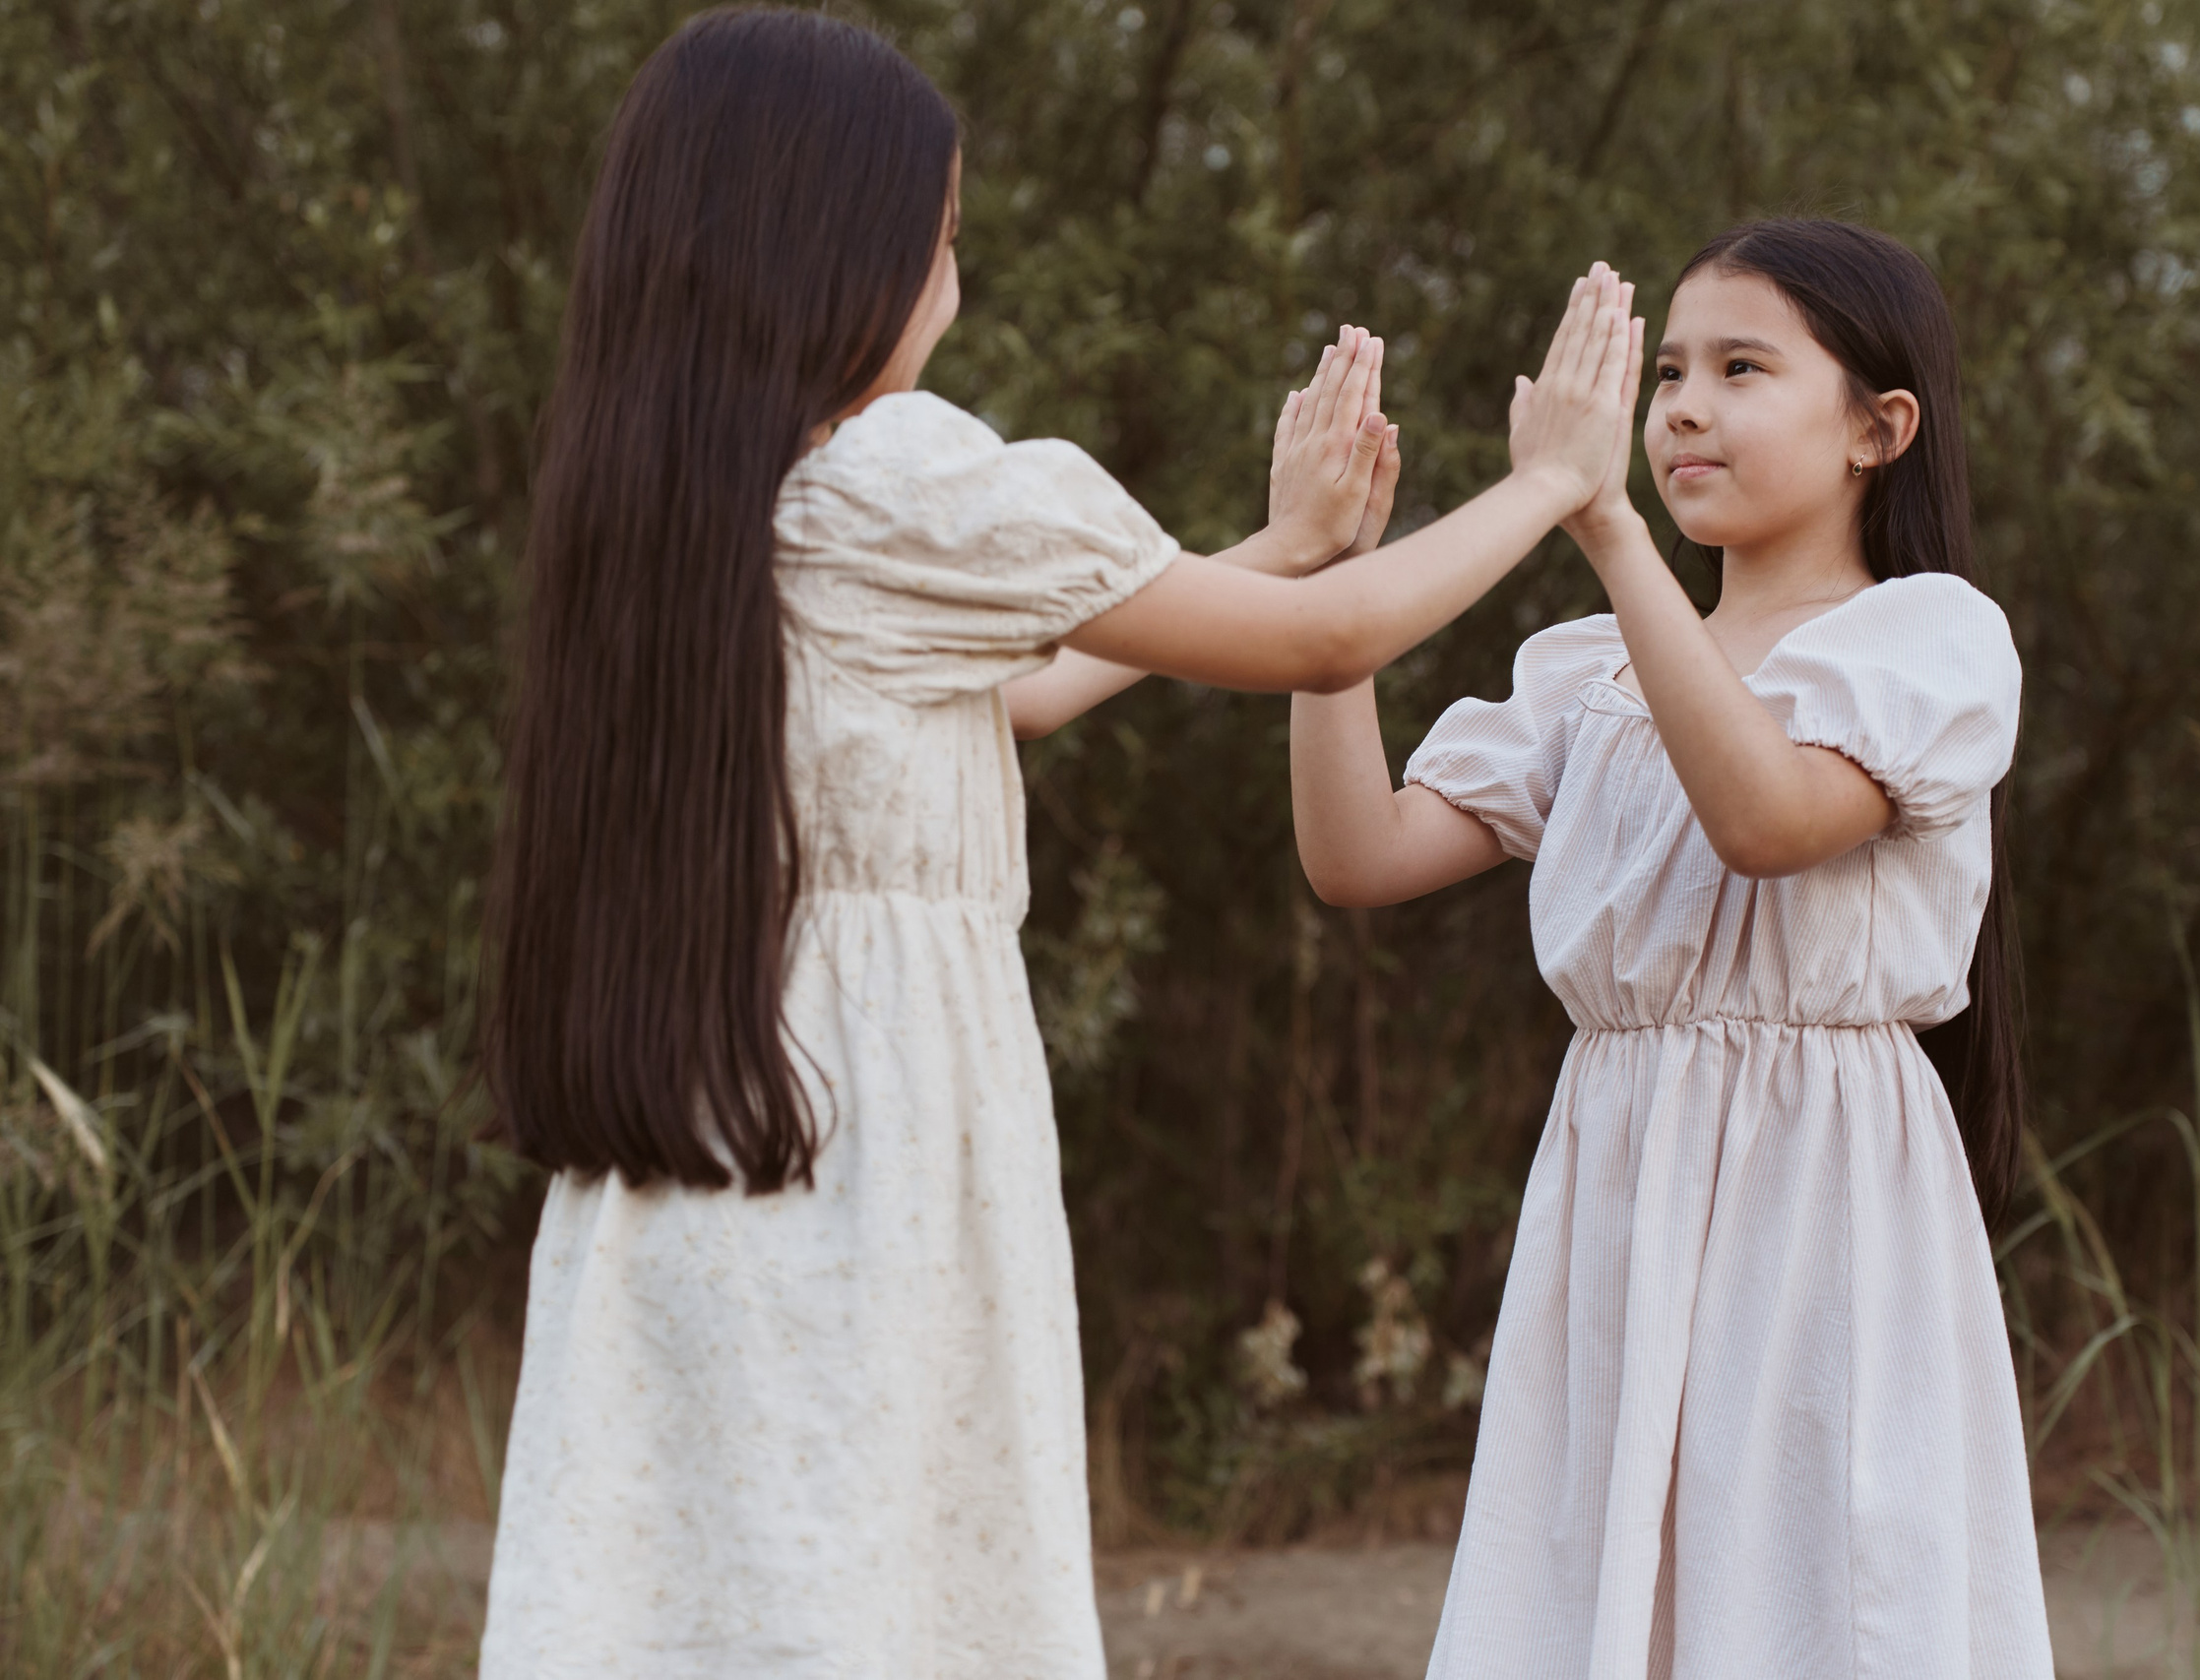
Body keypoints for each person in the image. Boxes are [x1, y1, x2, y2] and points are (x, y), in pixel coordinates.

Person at [472, 9, 1641, 1677]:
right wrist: (1548, 486)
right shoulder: (901, 474)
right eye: (943, 237)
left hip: (702, 1150)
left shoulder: (681, 497)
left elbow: (1007, 691)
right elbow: (1328, 648)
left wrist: (1279, 545)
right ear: (839, 245)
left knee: (720, 1595)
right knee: (878, 1599)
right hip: (866, 1147)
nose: (955, 278)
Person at [1289, 218, 2053, 1676]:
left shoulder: (1929, 641)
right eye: (1672, 373)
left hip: (1822, 1200)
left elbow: (1767, 814)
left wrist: (1601, 524)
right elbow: (1357, 855)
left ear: (1878, 429)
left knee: (1814, 1589)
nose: (1685, 407)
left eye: (1743, 368)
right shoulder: (1590, 670)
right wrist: (1331, 583)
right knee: (1601, 1595)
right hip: (1621, 1187)